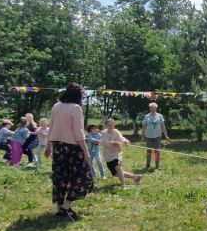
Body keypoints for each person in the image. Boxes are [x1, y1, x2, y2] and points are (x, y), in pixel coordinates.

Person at [45, 83, 94, 220]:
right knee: (83, 177)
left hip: (58, 148)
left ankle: (59, 209)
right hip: (73, 149)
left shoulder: (56, 106)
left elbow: (52, 126)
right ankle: (66, 207)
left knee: (60, 178)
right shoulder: (76, 108)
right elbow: (78, 133)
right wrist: (85, 151)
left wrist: (48, 146)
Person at [101, 118, 142, 189]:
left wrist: (125, 141)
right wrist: (113, 143)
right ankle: (135, 177)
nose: (110, 127)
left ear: (114, 125)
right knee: (116, 174)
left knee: (117, 167)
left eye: (112, 125)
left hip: (116, 153)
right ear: (106, 126)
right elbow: (106, 142)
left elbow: (121, 138)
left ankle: (123, 185)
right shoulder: (104, 133)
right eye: (108, 125)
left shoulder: (116, 131)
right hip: (108, 155)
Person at [141, 102, 170, 170]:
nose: (153, 109)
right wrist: (142, 136)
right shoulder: (146, 116)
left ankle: (157, 165)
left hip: (157, 136)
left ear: (156, 108)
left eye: (154, 108)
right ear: (149, 108)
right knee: (149, 151)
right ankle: (148, 165)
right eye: (151, 108)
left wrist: (166, 135)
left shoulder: (159, 116)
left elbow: (163, 126)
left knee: (157, 151)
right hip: (148, 137)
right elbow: (144, 127)